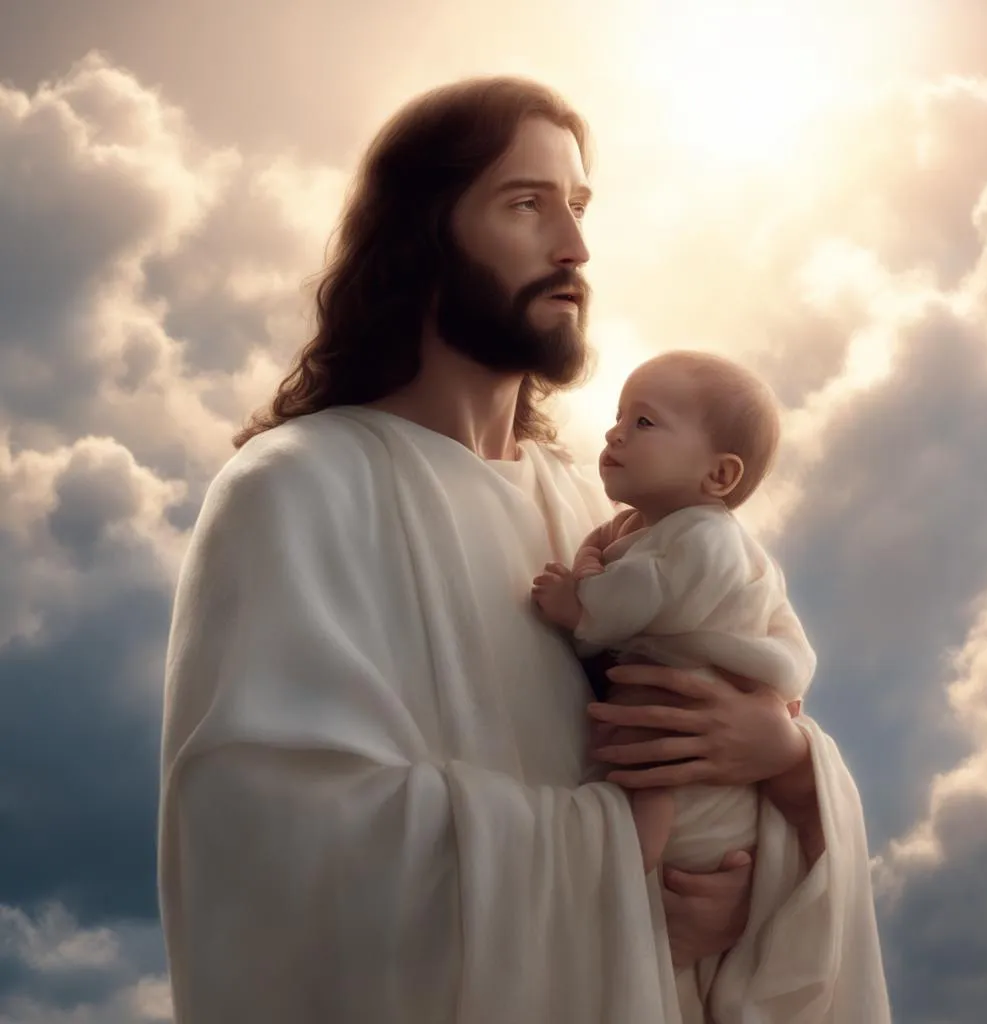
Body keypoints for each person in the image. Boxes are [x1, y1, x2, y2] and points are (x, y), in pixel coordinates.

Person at [157, 77, 890, 1023]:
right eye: (526, 203)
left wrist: (781, 781)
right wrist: (619, 884)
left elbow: (749, 760)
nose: (575, 248)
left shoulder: (612, 515)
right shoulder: (296, 490)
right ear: (425, 233)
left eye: (579, 209)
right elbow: (276, 858)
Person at [532, 350, 826, 1018]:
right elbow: (606, 550)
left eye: (643, 422)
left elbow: (641, 594)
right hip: (678, 692)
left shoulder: (704, 538)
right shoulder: (651, 525)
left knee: (648, 775)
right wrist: (590, 561)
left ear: (719, 476)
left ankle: (627, 871)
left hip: (681, 694)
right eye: (616, 417)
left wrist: (576, 605)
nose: (614, 434)